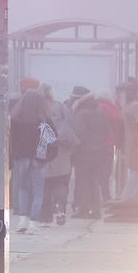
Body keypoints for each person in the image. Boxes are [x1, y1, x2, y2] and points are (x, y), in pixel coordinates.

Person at [9, 82, 47, 233]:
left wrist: (15, 157)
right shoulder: (43, 119)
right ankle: (34, 221)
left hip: (22, 157)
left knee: (23, 188)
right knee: (38, 190)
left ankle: (22, 220)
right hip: (38, 157)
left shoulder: (15, 119)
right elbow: (52, 139)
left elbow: (11, 140)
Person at [42, 85, 79, 225]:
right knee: (61, 181)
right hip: (61, 149)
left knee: (46, 185)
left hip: (44, 150)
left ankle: (45, 217)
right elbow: (71, 123)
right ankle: (60, 206)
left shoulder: (39, 108)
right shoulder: (61, 106)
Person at [71, 91, 110, 220]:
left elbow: (79, 134)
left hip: (84, 152)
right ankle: (96, 210)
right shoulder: (101, 113)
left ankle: (83, 209)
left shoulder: (82, 114)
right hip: (99, 151)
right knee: (94, 181)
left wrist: (74, 149)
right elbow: (106, 132)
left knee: (83, 181)